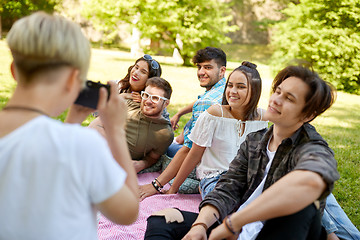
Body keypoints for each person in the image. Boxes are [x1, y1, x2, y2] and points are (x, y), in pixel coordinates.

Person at [144, 65, 340, 240]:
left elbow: (311, 182)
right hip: (242, 229)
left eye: (288, 98)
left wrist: (233, 223)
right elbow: (228, 186)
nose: (276, 100)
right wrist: (200, 225)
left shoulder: (313, 146)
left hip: (270, 229)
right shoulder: (255, 140)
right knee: (162, 219)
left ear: (308, 114)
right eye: (278, 91)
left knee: (304, 207)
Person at [0, 12, 138, 240]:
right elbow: (128, 211)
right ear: (73, 80)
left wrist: (71, 124)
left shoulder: (71, 140)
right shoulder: (82, 145)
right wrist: (115, 130)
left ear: (14, 70)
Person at [145, 61, 268, 199]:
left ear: (254, 90)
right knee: (229, 203)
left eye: (241, 87)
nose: (233, 91)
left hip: (246, 181)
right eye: (230, 85)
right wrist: (173, 189)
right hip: (215, 179)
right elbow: (193, 154)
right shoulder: (214, 114)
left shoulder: (262, 118)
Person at [139, 46, 227, 199]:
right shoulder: (227, 89)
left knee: (165, 147)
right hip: (224, 159)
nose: (201, 72)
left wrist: (162, 186)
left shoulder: (206, 103)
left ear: (222, 70)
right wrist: (179, 113)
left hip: (205, 164)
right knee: (175, 141)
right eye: (199, 67)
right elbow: (200, 101)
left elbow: (189, 151)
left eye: (208, 67)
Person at [89, 77, 174, 173]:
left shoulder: (165, 134)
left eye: (155, 98)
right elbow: (96, 125)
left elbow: (152, 158)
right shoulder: (129, 105)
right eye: (146, 95)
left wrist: (142, 164)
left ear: (166, 103)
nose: (148, 101)